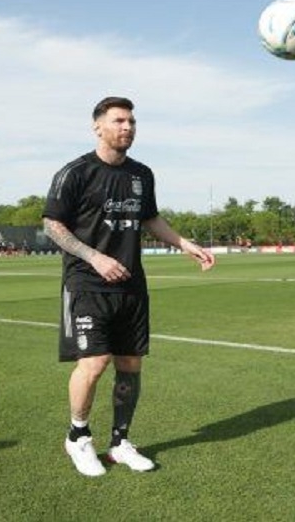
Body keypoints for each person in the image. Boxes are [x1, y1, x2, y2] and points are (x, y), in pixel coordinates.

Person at [42, 96, 215, 477]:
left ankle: (120, 443)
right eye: (119, 120)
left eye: (132, 122)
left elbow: (150, 218)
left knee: (130, 364)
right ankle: (78, 436)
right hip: (87, 283)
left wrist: (185, 244)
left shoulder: (141, 174)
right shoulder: (75, 173)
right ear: (97, 126)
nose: (128, 128)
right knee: (94, 363)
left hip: (132, 285)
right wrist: (95, 258)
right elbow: (52, 225)